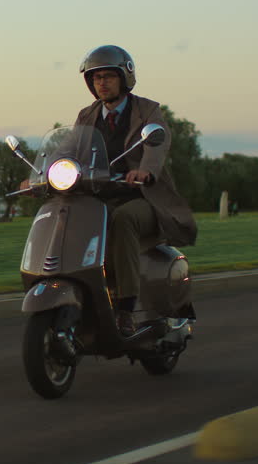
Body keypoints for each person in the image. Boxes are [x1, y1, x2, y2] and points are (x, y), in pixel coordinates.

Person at [75, 45, 197, 335]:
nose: (101, 83)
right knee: (70, 218)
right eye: (95, 78)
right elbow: (70, 150)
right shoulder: (86, 116)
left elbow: (157, 143)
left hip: (144, 198)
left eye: (108, 76)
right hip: (101, 198)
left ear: (124, 78)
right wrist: (44, 173)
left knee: (123, 220)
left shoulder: (147, 110)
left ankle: (126, 309)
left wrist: (146, 171)